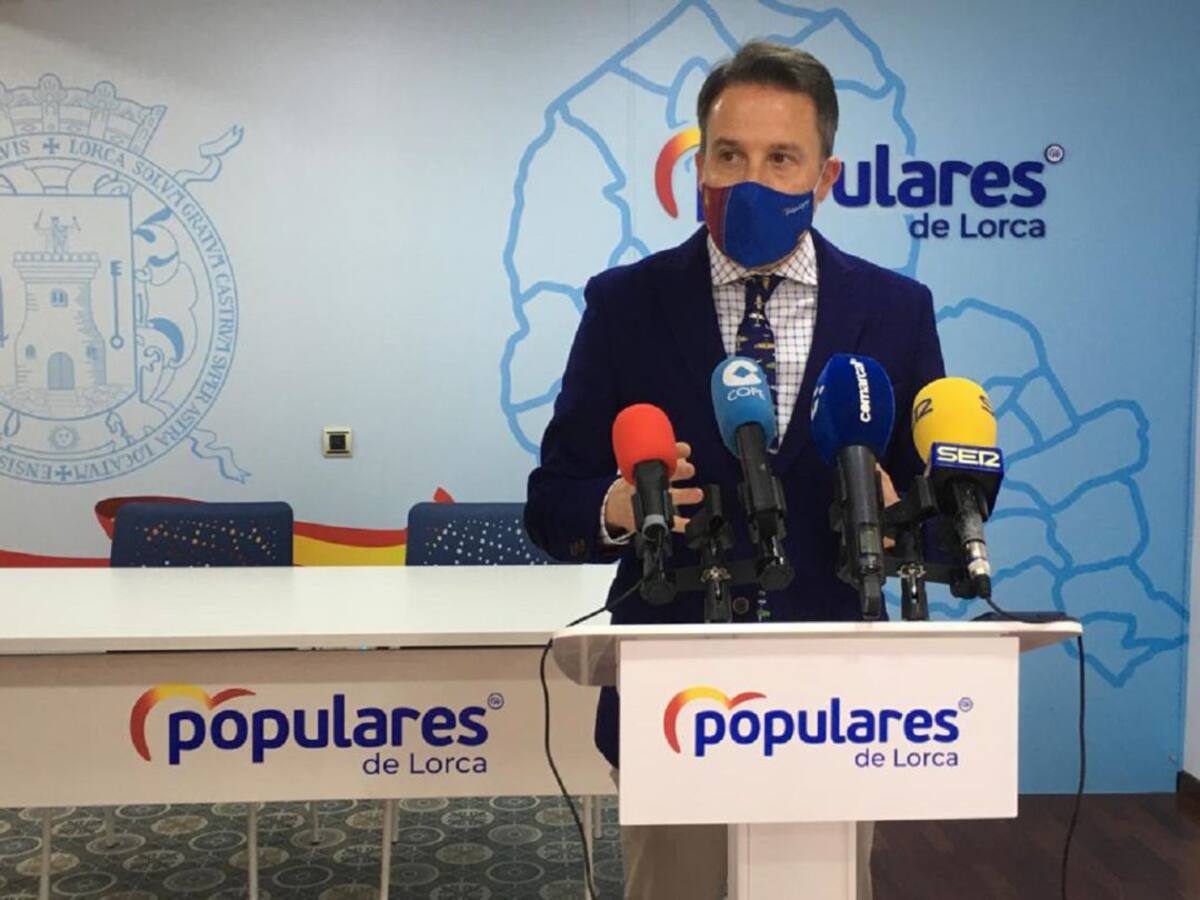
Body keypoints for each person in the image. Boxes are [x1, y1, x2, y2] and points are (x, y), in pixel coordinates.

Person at [525, 40, 945, 900]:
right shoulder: (626, 304)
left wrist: (905, 517)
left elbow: (932, 510)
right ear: (699, 166)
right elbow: (552, 500)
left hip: (836, 703)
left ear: (824, 176)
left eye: (780, 157)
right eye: (728, 155)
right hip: (675, 702)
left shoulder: (897, 311)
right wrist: (614, 505)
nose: (750, 180)